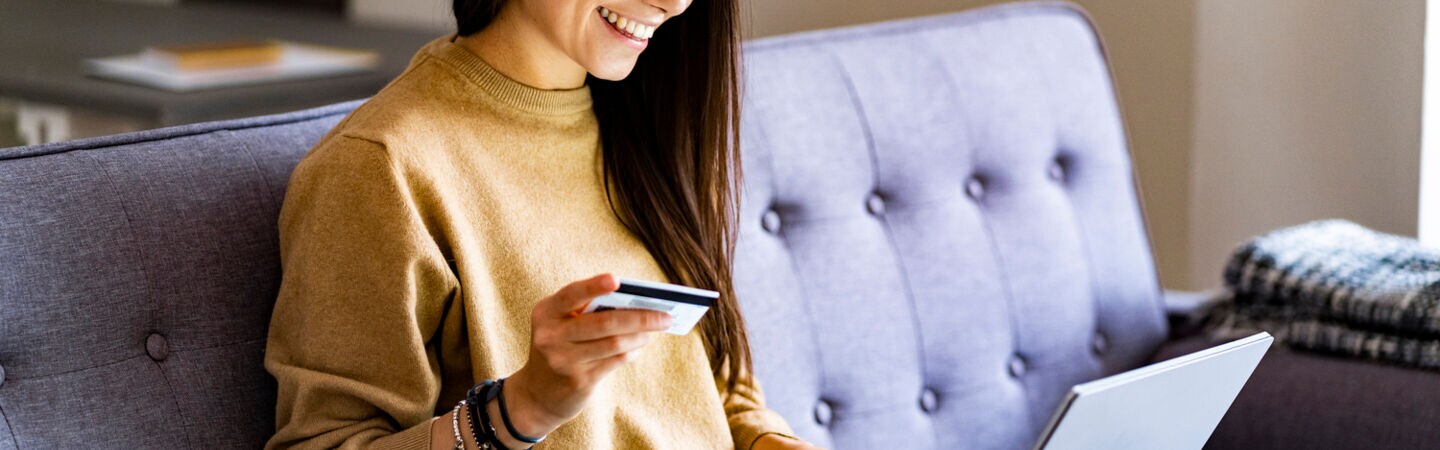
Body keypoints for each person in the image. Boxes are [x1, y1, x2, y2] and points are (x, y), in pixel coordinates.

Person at [263, 0, 822, 448]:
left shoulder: (655, 123)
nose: (675, 4)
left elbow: (714, 381)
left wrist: (766, 439)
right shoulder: (378, 167)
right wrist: (517, 411)